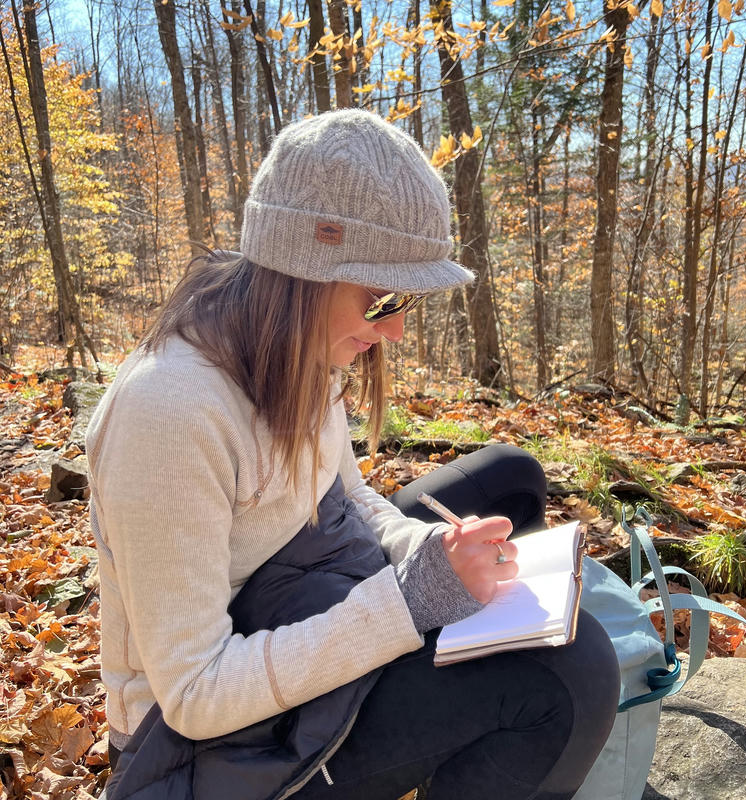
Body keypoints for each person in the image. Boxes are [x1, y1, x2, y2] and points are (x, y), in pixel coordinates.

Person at [87, 109, 619, 800]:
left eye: (408, 299)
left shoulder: (293, 343)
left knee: (512, 478)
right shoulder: (169, 412)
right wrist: (406, 605)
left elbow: (346, 499)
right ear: (302, 272)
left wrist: (426, 550)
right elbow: (195, 692)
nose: (395, 328)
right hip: (197, 746)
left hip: (297, 593)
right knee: (569, 678)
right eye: (382, 297)